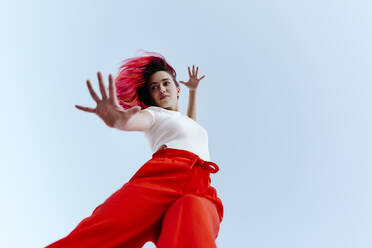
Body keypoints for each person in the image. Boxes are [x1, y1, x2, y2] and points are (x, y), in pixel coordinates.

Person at [45, 50, 224, 248]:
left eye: (166, 83)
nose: (162, 89)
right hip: (164, 174)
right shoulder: (154, 114)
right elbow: (137, 120)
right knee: (103, 231)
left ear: (177, 89)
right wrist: (121, 121)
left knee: (192, 225)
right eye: (155, 87)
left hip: (201, 186)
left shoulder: (187, 122)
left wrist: (193, 91)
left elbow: (191, 124)